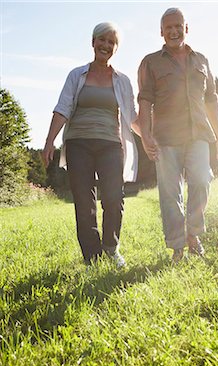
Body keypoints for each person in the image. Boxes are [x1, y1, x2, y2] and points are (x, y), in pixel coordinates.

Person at [42, 22, 140, 267]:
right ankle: (92, 257)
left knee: (114, 198)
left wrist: (150, 138)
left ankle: (110, 248)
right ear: (93, 42)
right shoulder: (77, 75)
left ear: (115, 48)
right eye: (101, 40)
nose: (105, 45)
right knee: (85, 203)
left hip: (110, 144)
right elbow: (62, 107)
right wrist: (48, 142)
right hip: (78, 144)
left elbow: (132, 116)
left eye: (111, 42)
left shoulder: (122, 80)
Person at [138, 8, 218, 262]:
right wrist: (146, 136)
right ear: (161, 32)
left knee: (202, 180)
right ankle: (177, 245)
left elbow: (212, 99)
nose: (174, 31)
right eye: (168, 28)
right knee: (170, 193)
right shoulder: (150, 62)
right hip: (166, 137)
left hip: (199, 133)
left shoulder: (201, 60)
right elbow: (144, 100)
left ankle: (194, 233)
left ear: (186, 28)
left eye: (178, 26)